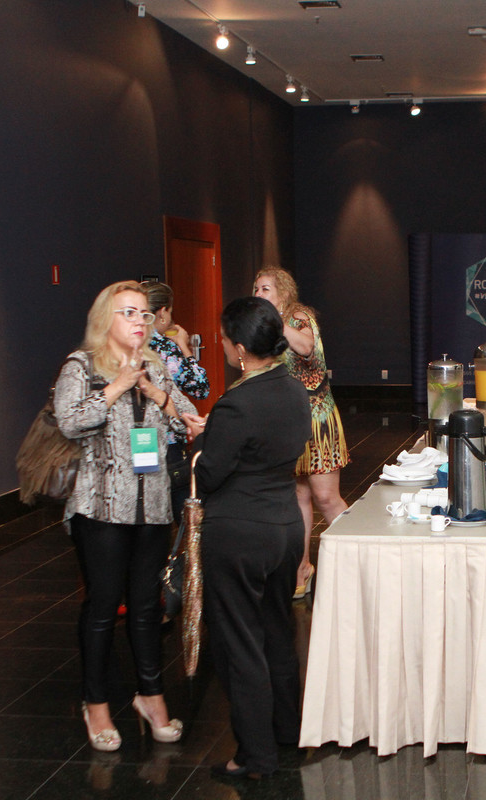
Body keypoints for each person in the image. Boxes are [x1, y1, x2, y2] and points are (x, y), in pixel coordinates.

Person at [54, 280, 204, 752]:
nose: (139, 322)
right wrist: (117, 386)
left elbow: (188, 415)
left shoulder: (156, 365)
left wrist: (154, 392)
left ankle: (151, 696)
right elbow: (69, 420)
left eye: (143, 314)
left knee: (146, 607)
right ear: (106, 320)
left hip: (154, 506)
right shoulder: (81, 366)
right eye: (129, 313)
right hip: (101, 508)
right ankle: (95, 703)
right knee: (102, 607)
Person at [196, 296, 311, 780]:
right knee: (277, 634)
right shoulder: (294, 390)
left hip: (240, 534)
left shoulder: (236, 402)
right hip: (285, 528)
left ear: (241, 349)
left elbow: (213, 474)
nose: (221, 345)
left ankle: (253, 756)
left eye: (224, 340)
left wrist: (202, 448)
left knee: (240, 645)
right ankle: (288, 731)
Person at [253, 266, 350, 599]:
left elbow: (306, 348)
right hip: (287, 420)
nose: (258, 295)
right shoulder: (266, 327)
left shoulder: (299, 317)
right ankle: (302, 568)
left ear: (282, 292)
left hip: (317, 419)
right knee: (298, 496)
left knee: (326, 497)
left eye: (265, 289)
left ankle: (358, 558)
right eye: (255, 289)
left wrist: (275, 320)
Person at [140, 280, 211, 517]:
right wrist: (184, 346)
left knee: (145, 505)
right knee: (182, 511)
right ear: (161, 313)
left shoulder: (129, 345)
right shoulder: (167, 348)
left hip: (139, 441)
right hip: (168, 441)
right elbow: (201, 388)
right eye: (170, 310)